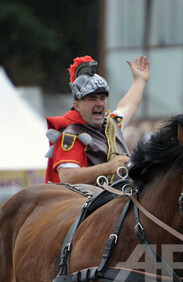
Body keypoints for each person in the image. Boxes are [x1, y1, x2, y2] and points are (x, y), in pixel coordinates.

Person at [45, 54, 151, 185]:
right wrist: (109, 167)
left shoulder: (110, 126)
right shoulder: (71, 135)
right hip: (89, 203)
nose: (99, 103)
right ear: (77, 106)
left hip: (121, 200)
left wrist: (139, 80)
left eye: (102, 98)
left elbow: (127, 106)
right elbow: (68, 176)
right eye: (92, 98)